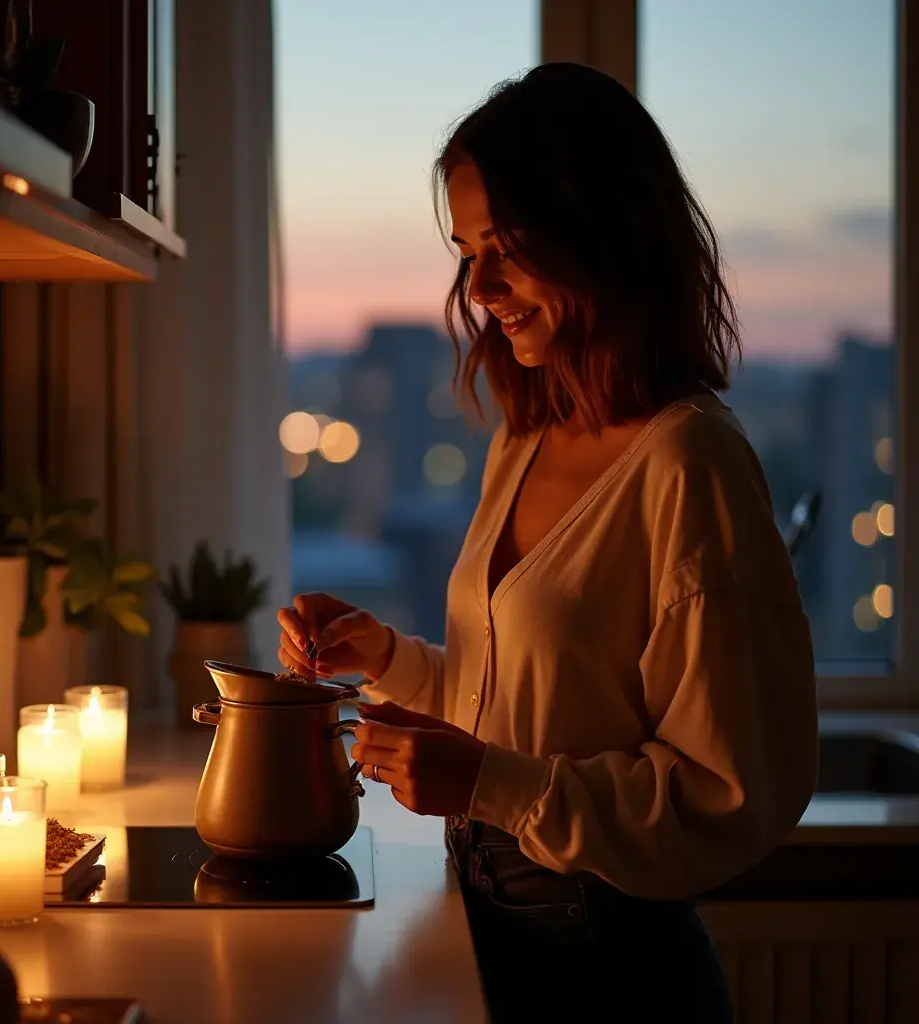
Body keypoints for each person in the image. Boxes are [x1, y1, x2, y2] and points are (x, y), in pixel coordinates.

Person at [277, 62, 817, 1023]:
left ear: (604, 233)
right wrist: (391, 661)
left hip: (609, 963)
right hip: (493, 924)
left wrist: (490, 782)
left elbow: (725, 792)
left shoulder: (690, 462)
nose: (479, 285)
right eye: (467, 248)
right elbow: (535, 705)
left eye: (509, 246)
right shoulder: (527, 436)